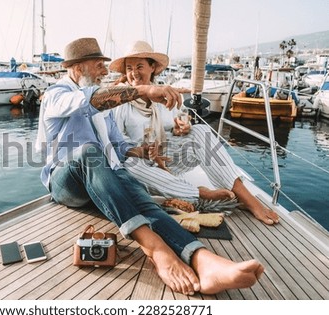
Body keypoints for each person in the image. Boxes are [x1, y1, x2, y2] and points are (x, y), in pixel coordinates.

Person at [36, 37, 264, 295]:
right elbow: (88, 101)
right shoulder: (56, 95)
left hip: (103, 180)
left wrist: (140, 151)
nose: (105, 70)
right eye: (99, 64)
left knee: (141, 199)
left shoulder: (105, 108)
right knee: (90, 153)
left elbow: (119, 147)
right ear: (77, 68)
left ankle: (203, 259)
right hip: (67, 183)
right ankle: (156, 250)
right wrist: (144, 90)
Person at [109, 40, 280, 225]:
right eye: (129, 68)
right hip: (142, 165)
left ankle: (245, 196)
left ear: (153, 68)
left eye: (139, 66)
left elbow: (180, 119)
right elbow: (118, 143)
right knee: (129, 164)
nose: (133, 73)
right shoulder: (121, 101)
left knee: (201, 131)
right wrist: (142, 151)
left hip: (167, 159)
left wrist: (183, 126)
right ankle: (199, 193)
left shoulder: (166, 94)